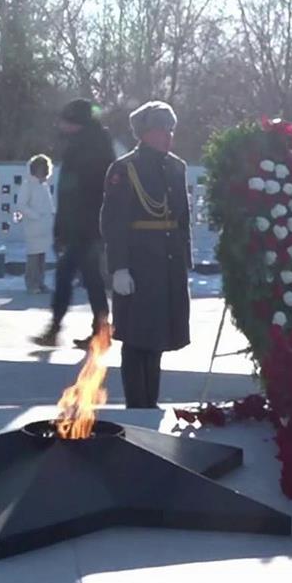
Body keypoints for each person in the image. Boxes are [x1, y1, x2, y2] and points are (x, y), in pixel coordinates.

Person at [101, 101, 191, 409]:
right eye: (161, 129)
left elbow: (182, 220)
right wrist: (119, 267)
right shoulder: (124, 169)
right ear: (144, 133)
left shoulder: (177, 167)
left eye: (170, 129)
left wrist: (184, 263)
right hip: (139, 263)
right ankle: (137, 405)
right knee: (137, 339)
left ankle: (150, 402)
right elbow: (113, 221)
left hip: (167, 263)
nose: (167, 136)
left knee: (158, 338)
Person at [32, 98, 115, 349]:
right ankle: (100, 331)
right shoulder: (97, 143)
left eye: (65, 120)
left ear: (76, 122)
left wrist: (62, 229)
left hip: (84, 226)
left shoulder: (82, 147)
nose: (61, 125)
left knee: (67, 274)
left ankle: (58, 328)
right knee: (91, 279)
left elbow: (70, 193)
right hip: (93, 225)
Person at [16, 154, 55, 294]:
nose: (42, 172)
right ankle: (31, 284)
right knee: (33, 257)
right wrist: (36, 216)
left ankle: (40, 283)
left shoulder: (43, 185)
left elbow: (47, 205)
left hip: (43, 228)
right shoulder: (28, 184)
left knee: (41, 257)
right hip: (33, 227)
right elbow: (21, 205)